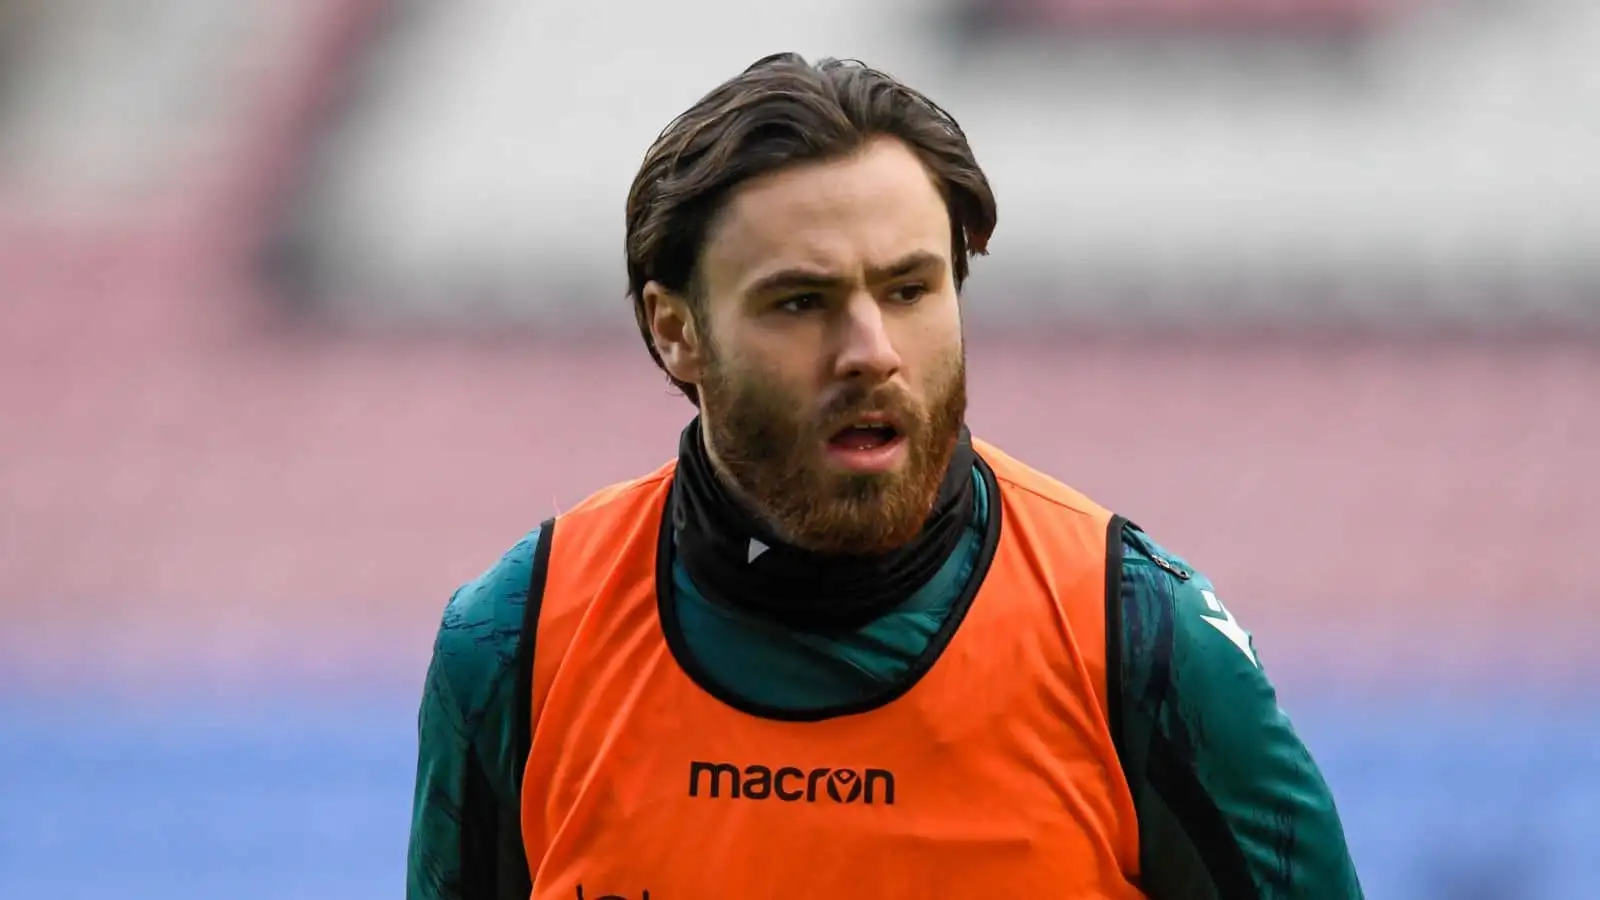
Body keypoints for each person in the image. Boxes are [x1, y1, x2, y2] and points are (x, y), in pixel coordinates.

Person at [407, 52, 1364, 900]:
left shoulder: (1140, 639)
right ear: (676, 329)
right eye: (799, 301)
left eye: (909, 291)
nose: (871, 352)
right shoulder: (520, 641)